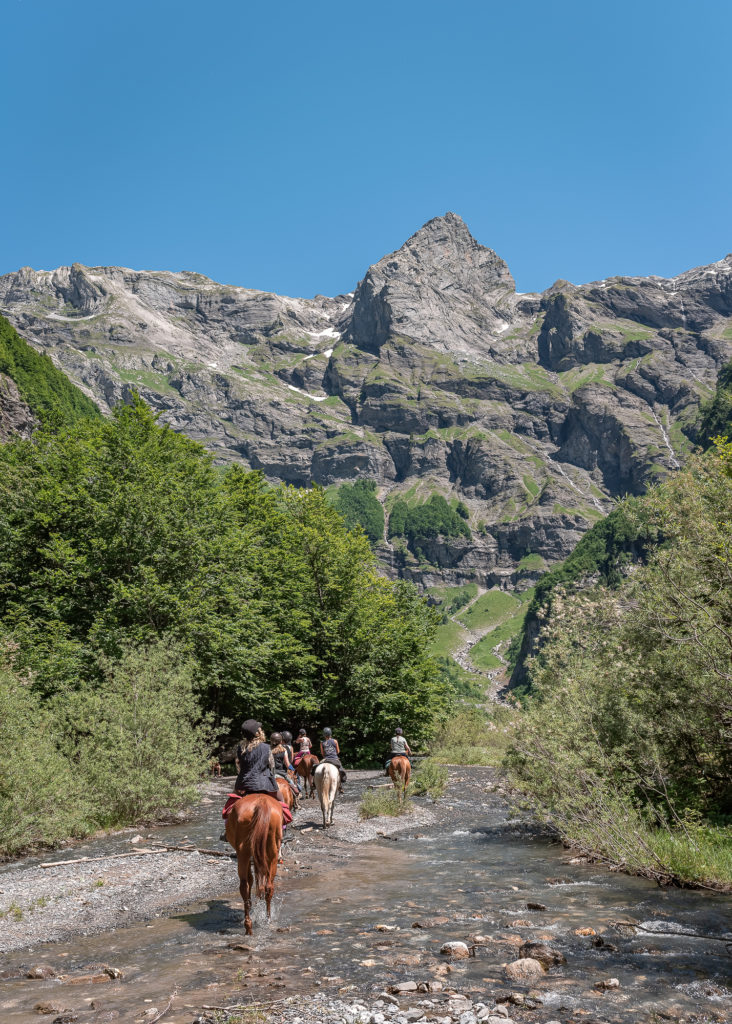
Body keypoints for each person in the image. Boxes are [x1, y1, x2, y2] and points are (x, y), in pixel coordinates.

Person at [225, 719, 292, 855]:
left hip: (244, 783)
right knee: (281, 802)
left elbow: (239, 766)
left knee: (229, 807)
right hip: (265, 784)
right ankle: (283, 827)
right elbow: (271, 765)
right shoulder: (266, 747)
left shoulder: (240, 748)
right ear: (257, 733)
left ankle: (226, 831)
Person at [270, 731, 300, 802]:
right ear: (280, 741)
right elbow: (287, 764)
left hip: (270, 774)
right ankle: (296, 801)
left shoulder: (268, 750)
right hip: (281, 774)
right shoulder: (284, 750)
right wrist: (293, 769)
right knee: (294, 788)